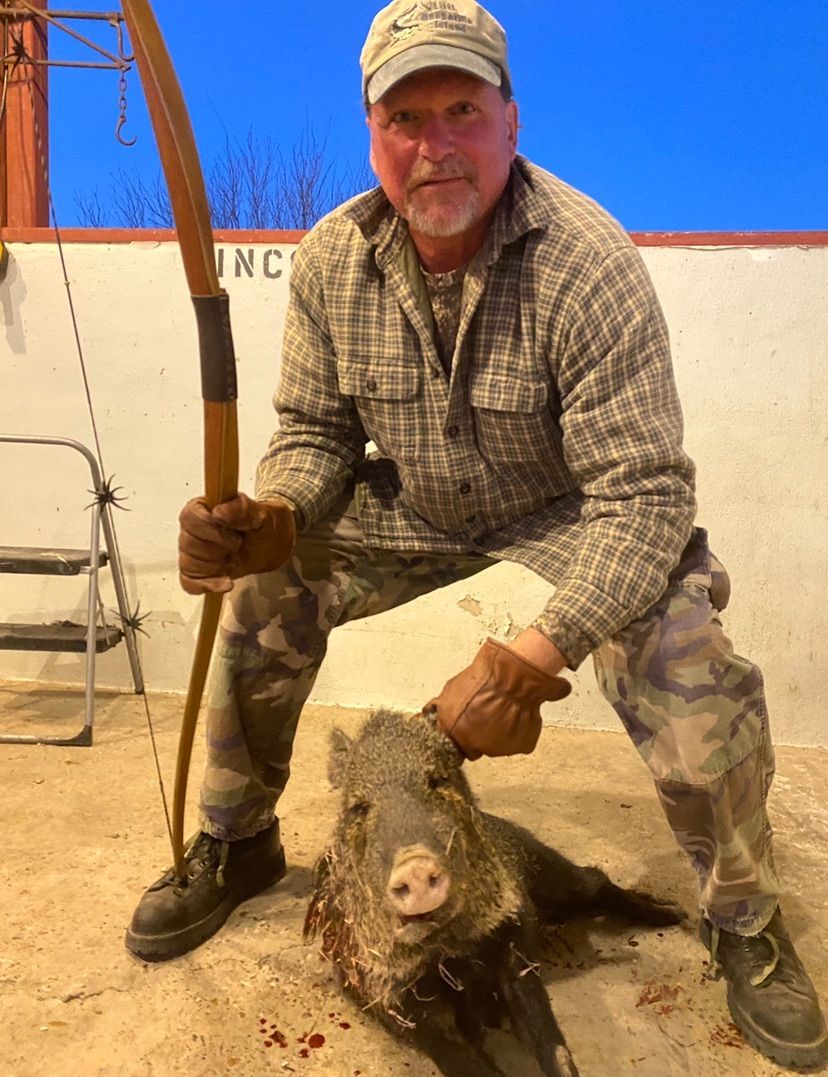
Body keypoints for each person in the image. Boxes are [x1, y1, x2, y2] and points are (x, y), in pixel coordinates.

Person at [126, 0, 826, 1069]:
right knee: (267, 592)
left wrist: (532, 659)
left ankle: (746, 920)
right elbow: (314, 437)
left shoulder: (589, 262)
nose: (434, 142)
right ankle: (237, 841)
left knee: (693, 665)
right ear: (374, 136)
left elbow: (643, 501)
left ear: (510, 121)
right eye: (405, 117)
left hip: (574, 513)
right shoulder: (330, 262)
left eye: (461, 108)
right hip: (406, 506)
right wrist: (273, 517)